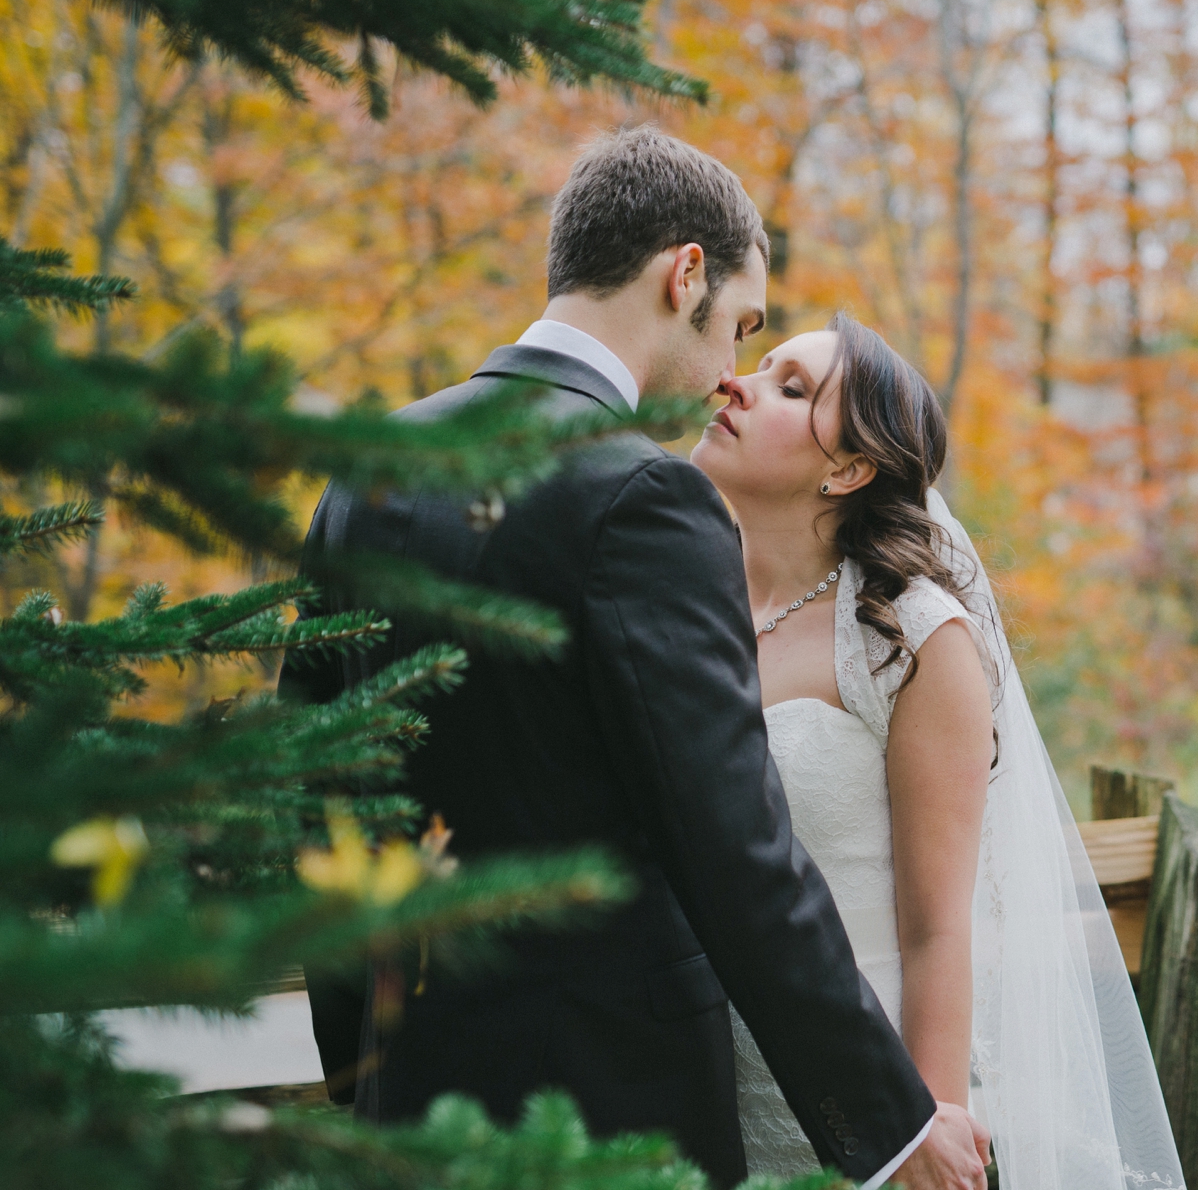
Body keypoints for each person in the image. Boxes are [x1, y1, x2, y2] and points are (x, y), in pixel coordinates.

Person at [284, 127, 988, 1190]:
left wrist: (359, 1056)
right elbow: (734, 845)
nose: (723, 374)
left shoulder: (370, 471)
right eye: (739, 328)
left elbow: (315, 786)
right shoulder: (644, 498)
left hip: (410, 1104)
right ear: (684, 274)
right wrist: (889, 1126)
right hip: (617, 1108)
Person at [688, 312, 1185, 1189]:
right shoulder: (684, 599)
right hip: (686, 1081)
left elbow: (936, 927)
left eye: (790, 386)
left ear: (847, 468)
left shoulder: (912, 637)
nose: (739, 383)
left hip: (853, 1098)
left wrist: (919, 1128)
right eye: (760, 366)